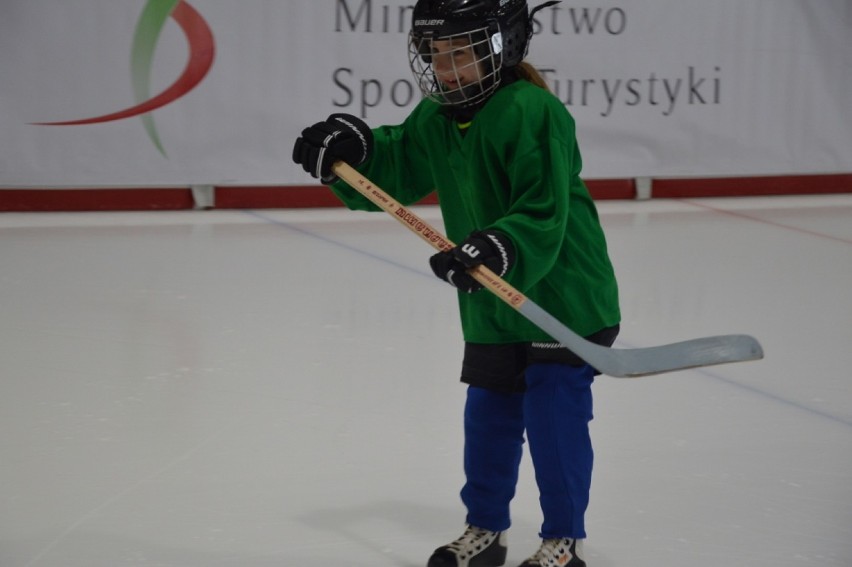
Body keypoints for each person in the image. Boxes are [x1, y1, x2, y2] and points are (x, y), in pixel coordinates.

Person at [292, 1, 620, 565]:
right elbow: (399, 162)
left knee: (552, 418)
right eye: (436, 54)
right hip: (492, 301)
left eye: (461, 52)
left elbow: (543, 208)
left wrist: (496, 244)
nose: (446, 68)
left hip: (562, 297)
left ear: (504, 46)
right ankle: (486, 530)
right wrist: (355, 155)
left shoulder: (532, 110)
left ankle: (563, 542)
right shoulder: (437, 117)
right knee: (487, 418)